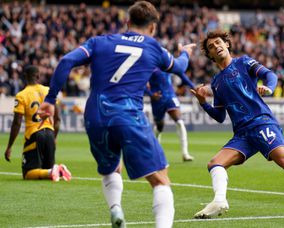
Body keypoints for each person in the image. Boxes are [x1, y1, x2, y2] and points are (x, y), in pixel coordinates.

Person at [37, 1, 196, 228]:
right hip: (128, 113)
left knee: (111, 167)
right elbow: (179, 67)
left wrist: (50, 99)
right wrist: (185, 53)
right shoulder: (153, 47)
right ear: (152, 28)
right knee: (160, 178)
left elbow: (66, 61)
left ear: (127, 22)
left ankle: (116, 209)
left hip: (95, 115)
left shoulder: (99, 42)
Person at [190, 30, 284, 219]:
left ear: (227, 44)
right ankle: (219, 201)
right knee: (215, 164)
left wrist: (269, 88)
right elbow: (220, 116)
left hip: (261, 123)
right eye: (211, 47)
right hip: (242, 134)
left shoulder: (244, 62)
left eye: (218, 43)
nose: (216, 46)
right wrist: (203, 102)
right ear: (210, 56)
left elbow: (269, 74)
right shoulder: (216, 83)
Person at [4, 65, 71, 182]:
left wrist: (9, 146)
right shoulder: (48, 91)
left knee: (28, 173)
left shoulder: (21, 95)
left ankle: (55, 170)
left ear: (24, 77)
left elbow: (17, 122)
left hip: (34, 135)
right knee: (48, 174)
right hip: (49, 133)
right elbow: (58, 118)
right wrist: (54, 137)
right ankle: (58, 170)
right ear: (38, 76)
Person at [146, 69, 195, 161]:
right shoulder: (149, 62)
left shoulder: (167, 61)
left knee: (180, 122)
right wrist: (151, 94)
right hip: (157, 99)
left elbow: (180, 72)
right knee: (160, 126)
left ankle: (185, 153)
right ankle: (155, 149)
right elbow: (141, 82)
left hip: (170, 96)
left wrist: (193, 86)